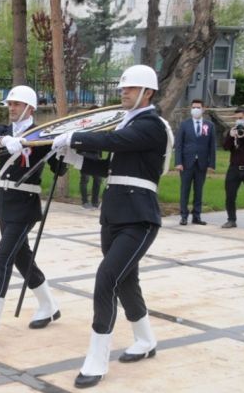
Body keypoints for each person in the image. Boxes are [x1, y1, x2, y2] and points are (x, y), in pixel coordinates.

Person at [52, 65, 174, 388]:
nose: (124, 92)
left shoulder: (151, 126)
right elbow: (111, 167)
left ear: (148, 92)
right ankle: (145, 340)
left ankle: (96, 360)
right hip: (114, 216)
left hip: (140, 218)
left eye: (130, 88)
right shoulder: (130, 124)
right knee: (125, 281)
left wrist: (74, 136)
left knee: (106, 278)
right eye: (123, 88)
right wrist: (74, 158)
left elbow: (114, 141)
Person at [0, 85, 63, 342]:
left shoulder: (42, 135)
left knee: (2, 257)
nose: (11, 108)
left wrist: (61, 149)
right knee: (21, 257)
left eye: (16, 104)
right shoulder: (3, 131)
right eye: (10, 104)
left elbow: (59, 169)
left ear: (30, 108)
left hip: (25, 206)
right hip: (5, 204)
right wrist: (5, 142)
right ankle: (49, 306)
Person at [174, 99, 216, 225]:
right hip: (186, 163)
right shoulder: (184, 124)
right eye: (193, 107)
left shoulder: (209, 125)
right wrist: (178, 162)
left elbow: (212, 146)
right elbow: (179, 145)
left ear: (203, 109)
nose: (196, 109)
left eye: (198, 107)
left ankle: (196, 216)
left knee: (199, 190)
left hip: (202, 163)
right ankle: (184, 216)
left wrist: (211, 164)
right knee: (185, 190)